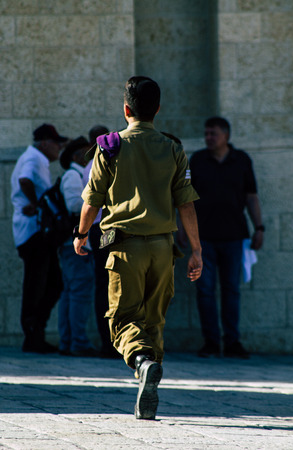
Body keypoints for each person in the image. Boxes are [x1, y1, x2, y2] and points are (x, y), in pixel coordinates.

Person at [73, 76, 202, 420]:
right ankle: (149, 381)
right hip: (164, 248)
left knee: (122, 319)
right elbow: (186, 204)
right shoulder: (173, 148)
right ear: (157, 109)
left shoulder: (110, 146)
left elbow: (92, 200)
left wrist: (81, 234)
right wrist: (197, 251)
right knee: (154, 320)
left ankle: (143, 363)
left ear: (125, 109)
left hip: (125, 247)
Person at [189, 116, 264, 359]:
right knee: (205, 290)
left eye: (214, 134)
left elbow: (252, 196)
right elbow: (185, 200)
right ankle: (210, 341)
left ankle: (232, 342)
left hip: (234, 236)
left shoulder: (241, 160)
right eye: (207, 133)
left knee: (231, 290)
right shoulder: (198, 160)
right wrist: (182, 230)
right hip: (203, 239)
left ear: (226, 136)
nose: (209, 138)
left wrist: (259, 227)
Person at [10, 124, 68, 353]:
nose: (59, 149)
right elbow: (25, 181)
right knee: (39, 285)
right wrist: (34, 203)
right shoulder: (34, 158)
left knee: (51, 284)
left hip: (34, 234)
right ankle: (33, 335)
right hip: (33, 233)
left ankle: (36, 333)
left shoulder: (34, 157)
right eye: (57, 144)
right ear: (45, 143)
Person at [58, 136, 98, 357]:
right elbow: (74, 204)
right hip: (76, 244)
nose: (90, 155)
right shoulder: (73, 175)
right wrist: (95, 200)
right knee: (79, 292)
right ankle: (78, 342)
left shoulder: (73, 175)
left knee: (71, 292)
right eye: (86, 152)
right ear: (76, 156)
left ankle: (68, 341)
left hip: (71, 243)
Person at [83, 125, 120, 358]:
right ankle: (110, 342)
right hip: (105, 229)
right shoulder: (101, 163)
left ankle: (110, 342)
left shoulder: (93, 163)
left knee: (106, 285)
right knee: (110, 285)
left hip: (100, 229)